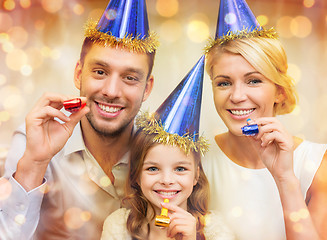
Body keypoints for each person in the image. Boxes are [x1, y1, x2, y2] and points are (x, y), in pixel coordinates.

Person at [0, 0, 159, 239]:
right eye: (100, 72)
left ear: (147, 89)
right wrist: (35, 162)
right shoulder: (35, 139)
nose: (112, 91)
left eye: (129, 77)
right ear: (78, 74)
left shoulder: (162, 152)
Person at [203, 0, 327, 240]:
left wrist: (285, 178)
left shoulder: (317, 165)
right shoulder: (194, 161)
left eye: (254, 81)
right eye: (224, 83)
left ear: (279, 91)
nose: (237, 96)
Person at [101, 56, 235, 240]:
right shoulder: (119, 227)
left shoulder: (214, 230)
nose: (166, 180)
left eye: (180, 168)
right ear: (136, 175)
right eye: (153, 168)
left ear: (196, 175)